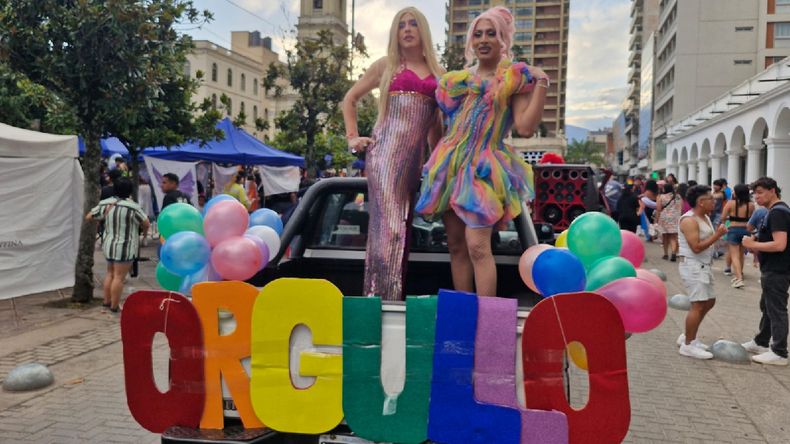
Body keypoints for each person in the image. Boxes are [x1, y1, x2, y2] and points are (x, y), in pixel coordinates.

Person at [415, 6, 546, 297]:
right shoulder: (455, 81)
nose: (484, 39)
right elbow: (436, 123)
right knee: (456, 245)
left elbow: (524, 127)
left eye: (492, 33)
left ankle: (487, 322)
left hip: (486, 167)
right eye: (478, 34)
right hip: (449, 165)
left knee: (477, 245)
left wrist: (542, 85)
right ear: (471, 41)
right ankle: (464, 315)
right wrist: (432, 156)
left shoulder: (513, 80)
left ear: (503, 41)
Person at [342, 7, 444, 301]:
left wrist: (437, 163)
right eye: (401, 25)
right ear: (395, 33)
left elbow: (434, 127)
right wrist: (353, 138)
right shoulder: (387, 65)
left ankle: (386, 301)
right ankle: (383, 301)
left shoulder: (438, 74)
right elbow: (350, 99)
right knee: (391, 231)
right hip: (383, 157)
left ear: (422, 29)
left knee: (402, 230)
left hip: (413, 164)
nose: (407, 29)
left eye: (413, 24)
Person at [676, 185, 728, 359]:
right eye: (710, 199)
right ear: (700, 202)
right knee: (698, 304)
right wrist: (717, 235)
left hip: (703, 265)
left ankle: (690, 335)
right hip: (693, 265)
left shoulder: (704, 216)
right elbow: (696, 247)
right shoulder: (689, 220)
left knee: (709, 301)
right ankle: (688, 344)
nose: (714, 201)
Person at [742, 177, 790, 366]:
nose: (757, 198)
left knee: (776, 309)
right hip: (773, 268)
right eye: (755, 194)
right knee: (767, 306)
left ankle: (779, 351)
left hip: (777, 269)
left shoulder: (778, 212)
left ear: (773, 191)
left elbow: (780, 244)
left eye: (761, 193)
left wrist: (754, 244)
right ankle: (761, 341)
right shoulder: (776, 211)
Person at [86, 177, 150, 313]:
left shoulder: (105, 203)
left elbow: (89, 216)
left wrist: (104, 220)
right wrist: (143, 234)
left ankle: (106, 301)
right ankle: (115, 306)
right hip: (125, 246)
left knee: (110, 273)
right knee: (119, 277)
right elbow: (146, 223)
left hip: (109, 244)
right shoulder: (133, 207)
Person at [721, 184, 755, 288]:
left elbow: (723, 217)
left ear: (736, 192)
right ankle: (740, 273)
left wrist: (729, 219)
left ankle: (739, 278)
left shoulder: (730, 203)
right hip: (746, 230)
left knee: (734, 255)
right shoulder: (751, 204)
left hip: (733, 229)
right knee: (741, 254)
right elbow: (752, 219)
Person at [656, 183, 682, 261]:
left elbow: (658, 209)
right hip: (675, 218)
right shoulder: (678, 197)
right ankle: (674, 252)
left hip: (664, 218)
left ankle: (666, 254)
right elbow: (681, 207)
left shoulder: (661, 197)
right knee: (673, 237)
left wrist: (657, 219)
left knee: (665, 236)